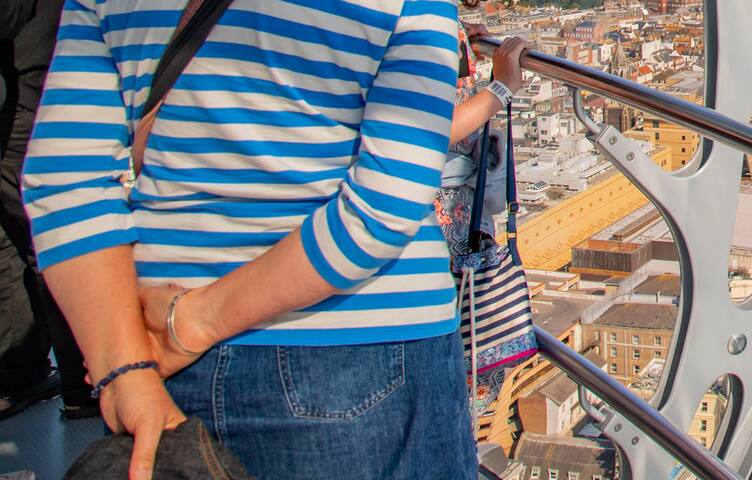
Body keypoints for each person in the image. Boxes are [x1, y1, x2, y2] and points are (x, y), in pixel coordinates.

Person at [25, 0, 483, 478]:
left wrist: (122, 367)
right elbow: (384, 206)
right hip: (359, 353)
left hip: (153, 345)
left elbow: (63, 178)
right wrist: (196, 321)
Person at [0, 0, 94, 422]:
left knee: (22, 245)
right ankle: (81, 386)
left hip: (28, 96)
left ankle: (32, 376)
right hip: (31, 99)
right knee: (55, 244)